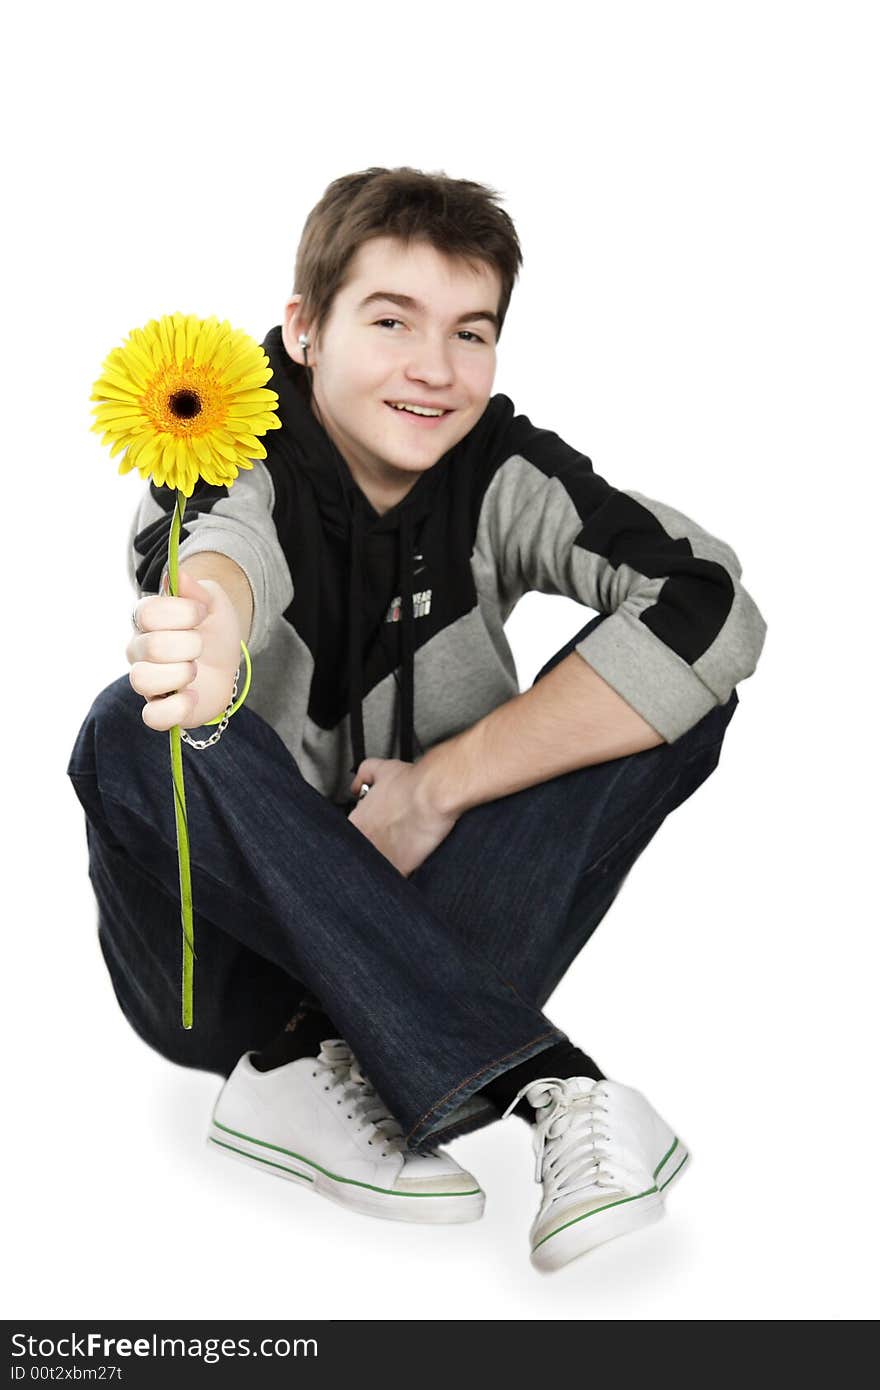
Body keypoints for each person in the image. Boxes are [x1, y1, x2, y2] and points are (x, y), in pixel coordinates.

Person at [67, 166, 767, 1272]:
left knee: (679, 693)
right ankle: (553, 1087)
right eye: (391, 321)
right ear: (304, 329)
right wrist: (207, 630)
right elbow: (220, 553)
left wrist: (439, 784)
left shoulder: (501, 468)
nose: (435, 371)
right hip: (219, 974)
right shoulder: (215, 439)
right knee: (134, 725)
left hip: (430, 918)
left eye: (470, 333)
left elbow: (711, 605)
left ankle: (324, 1071)